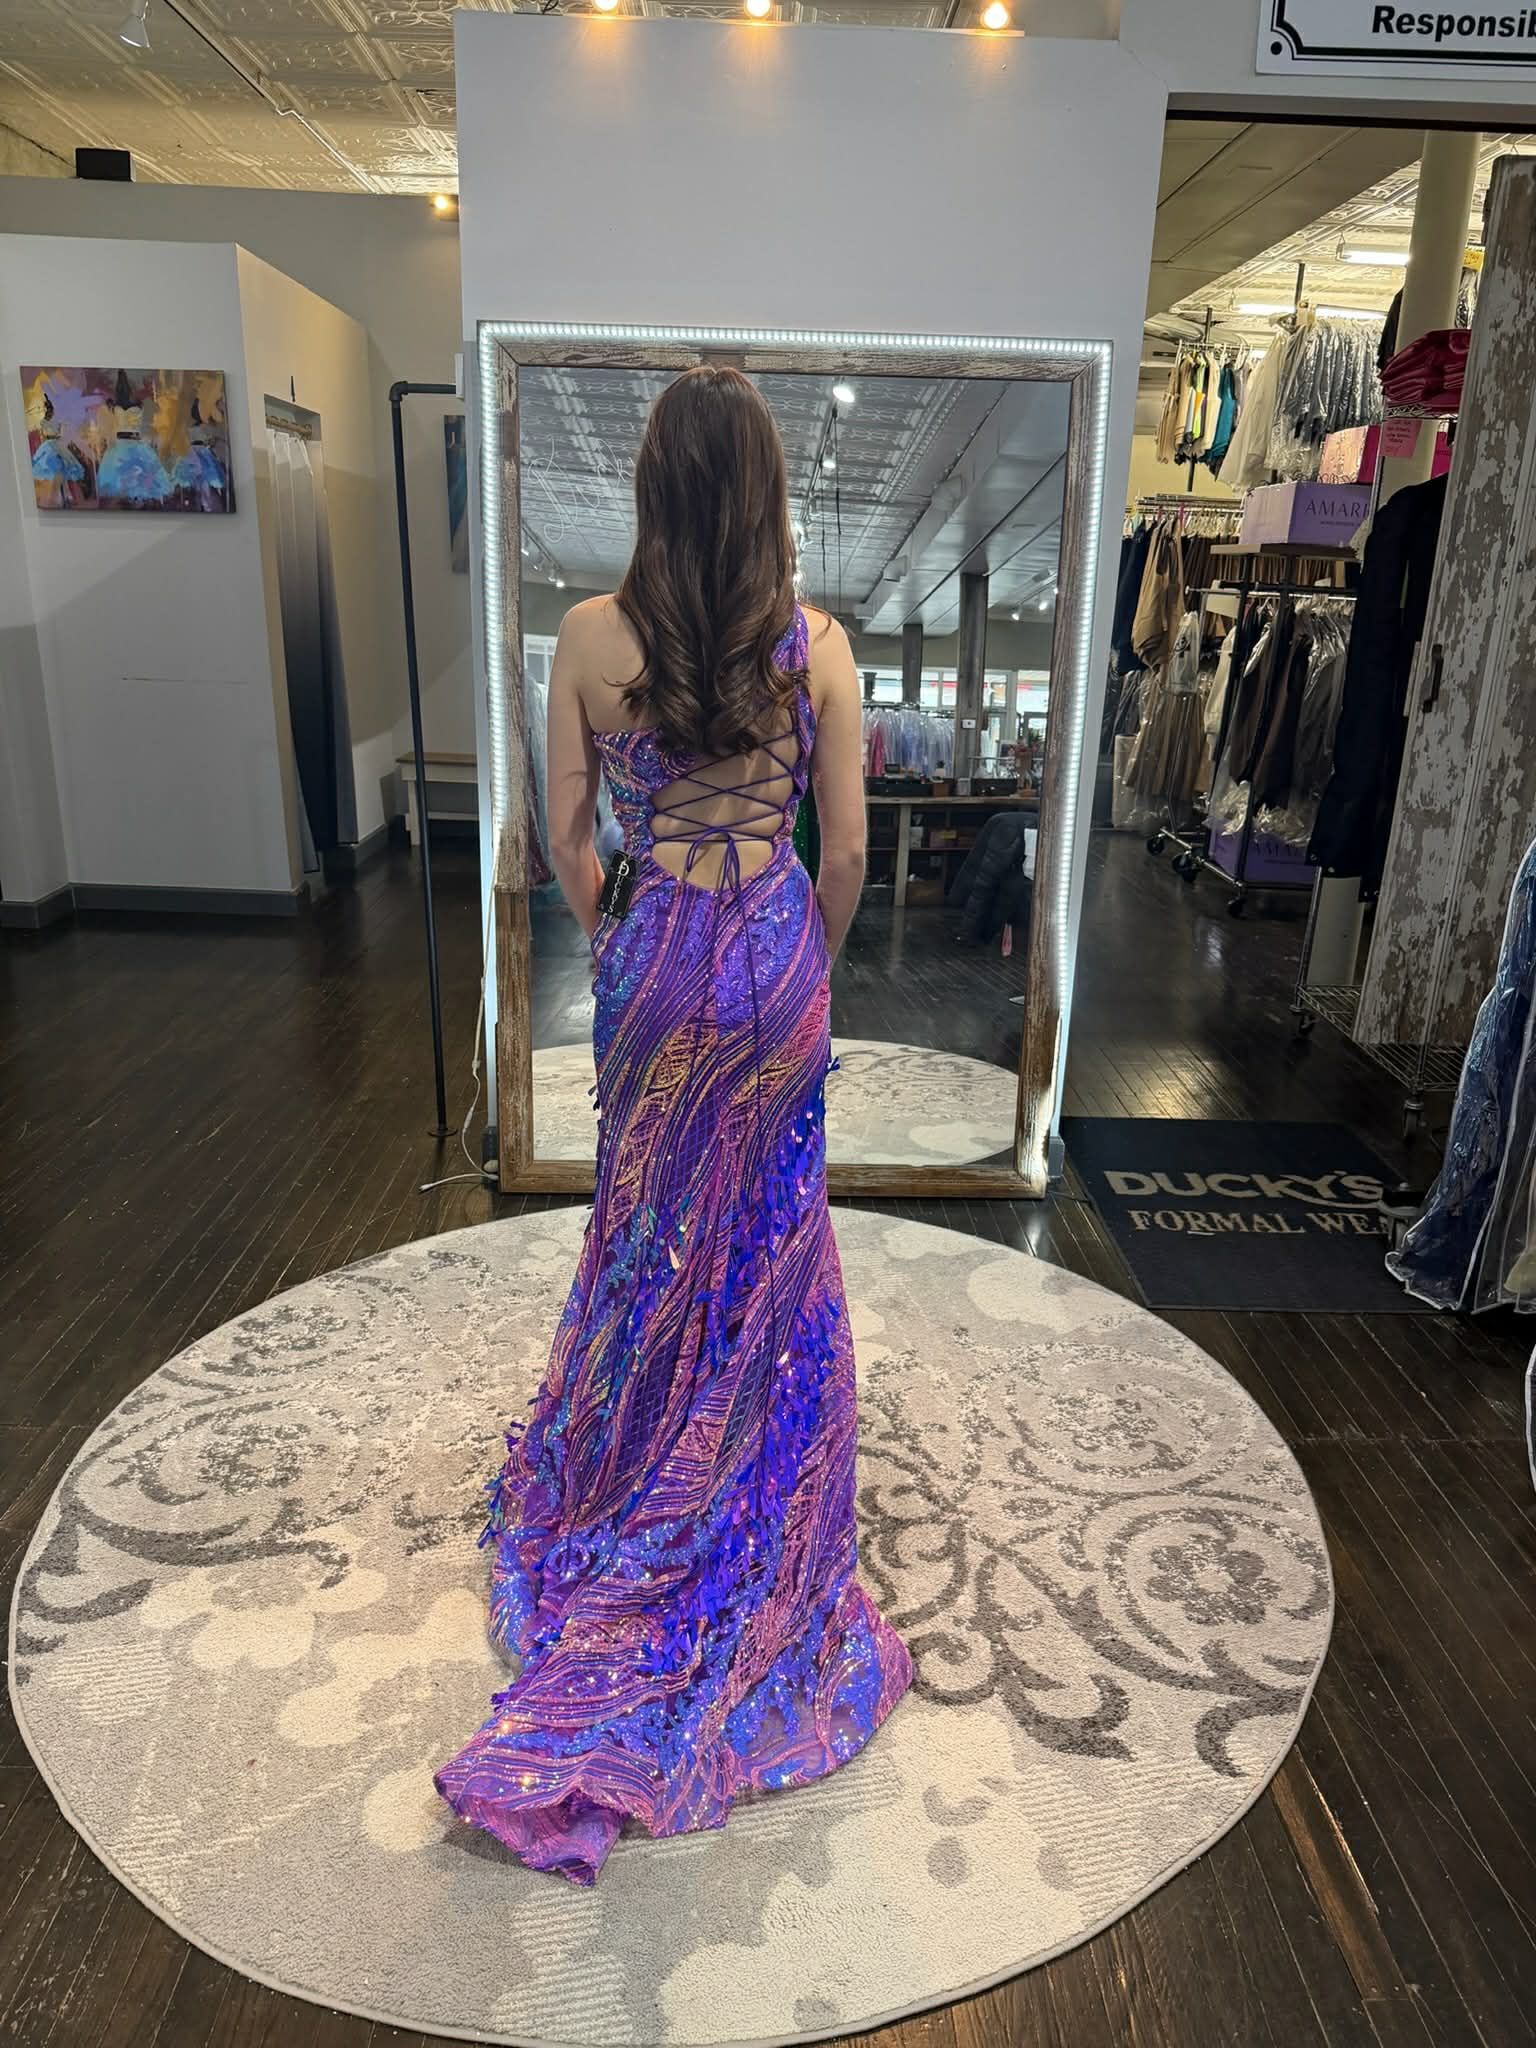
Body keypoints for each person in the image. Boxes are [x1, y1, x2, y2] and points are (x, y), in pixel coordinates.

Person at [433, 365, 913, 1886]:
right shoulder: (819, 648)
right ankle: (753, 1499)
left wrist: (629, 933)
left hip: (653, 959)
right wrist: (794, 961)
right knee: (771, 1237)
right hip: (771, 954)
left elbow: (559, 841)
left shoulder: (586, 637)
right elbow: (842, 852)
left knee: (647, 1236)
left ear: (653, 488)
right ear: (767, 490)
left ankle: (639, 1464)